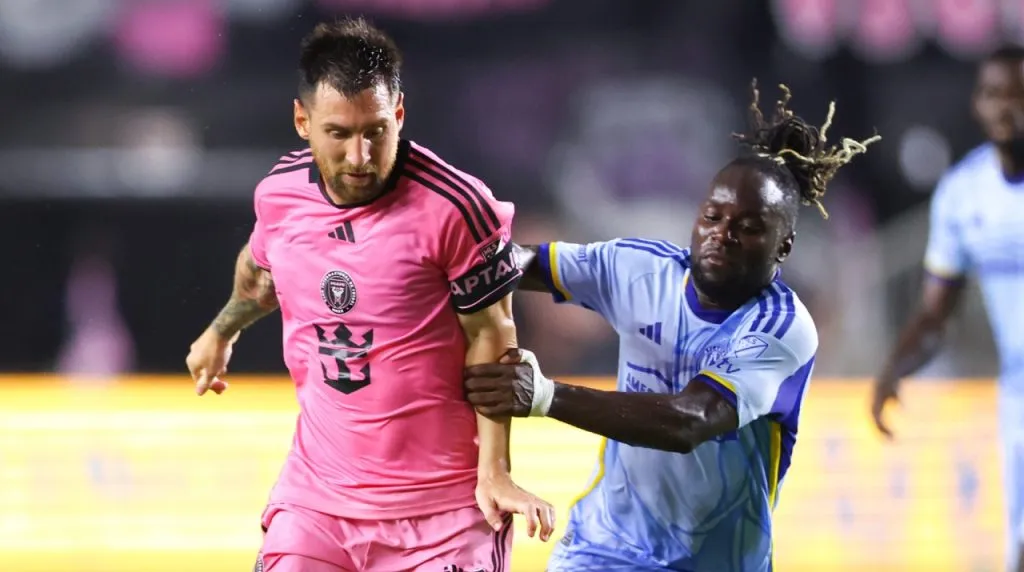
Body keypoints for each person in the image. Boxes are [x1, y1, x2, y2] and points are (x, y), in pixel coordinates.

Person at [184, 17, 554, 572]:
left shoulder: (458, 207)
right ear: (302, 121)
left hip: (443, 513)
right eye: (339, 133)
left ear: (399, 114)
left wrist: (495, 472)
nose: (359, 157)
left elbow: (493, 335)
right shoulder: (280, 196)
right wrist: (221, 331)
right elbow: (261, 274)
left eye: (375, 131)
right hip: (318, 505)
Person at [462, 82, 879, 571]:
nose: (721, 235)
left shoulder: (781, 329)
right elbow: (520, 264)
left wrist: (545, 397)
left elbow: (690, 420)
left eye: (747, 227)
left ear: (783, 247)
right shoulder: (642, 268)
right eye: (712, 216)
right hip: (602, 550)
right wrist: (443, 252)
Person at [870, 45, 1024, 572]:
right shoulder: (963, 194)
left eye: (1020, 94)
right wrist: (895, 367)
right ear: (977, 105)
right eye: (994, 94)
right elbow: (936, 313)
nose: (1008, 106)